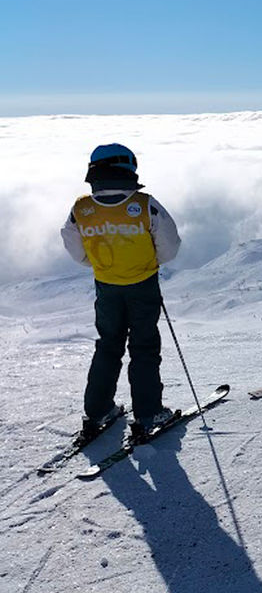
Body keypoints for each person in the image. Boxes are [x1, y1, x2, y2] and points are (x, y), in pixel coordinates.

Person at [60, 143, 181, 440]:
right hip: (143, 285)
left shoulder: (82, 209)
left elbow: (74, 248)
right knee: (144, 347)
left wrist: (98, 265)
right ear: (129, 168)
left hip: (106, 286)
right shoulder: (144, 204)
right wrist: (149, 262)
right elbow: (170, 245)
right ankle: (148, 413)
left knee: (108, 345)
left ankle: (98, 410)